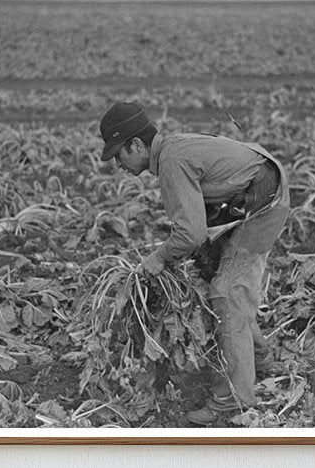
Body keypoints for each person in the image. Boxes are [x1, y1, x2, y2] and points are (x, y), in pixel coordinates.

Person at [98, 101, 290, 425]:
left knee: (226, 291)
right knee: (221, 277)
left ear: (136, 145)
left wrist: (158, 259)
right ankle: (259, 357)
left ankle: (234, 400)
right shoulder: (172, 150)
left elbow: (190, 234)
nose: (118, 163)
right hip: (253, 194)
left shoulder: (172, 162)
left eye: (119, 154)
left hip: (263, 205)